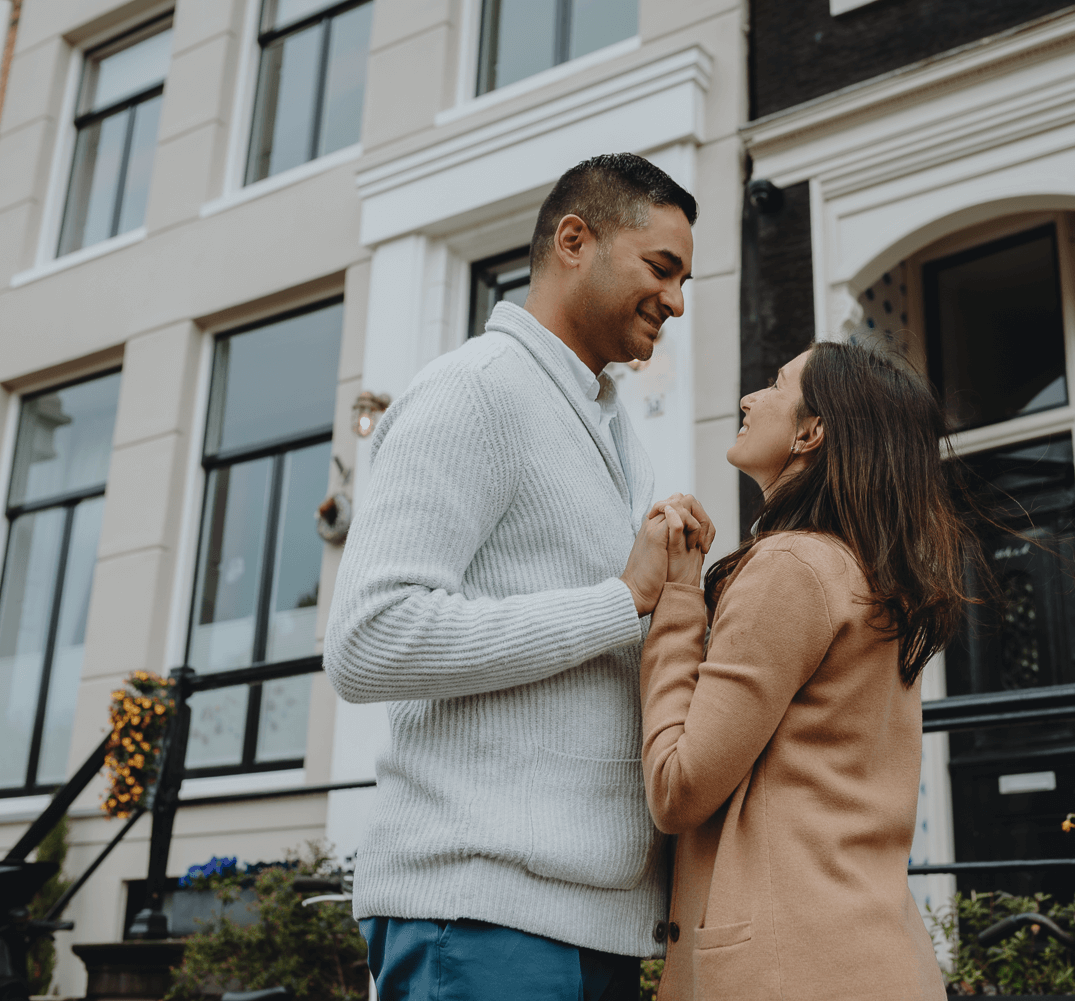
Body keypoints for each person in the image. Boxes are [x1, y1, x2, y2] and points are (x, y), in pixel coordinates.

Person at [324, 153, 715, 1001]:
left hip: (596, 922)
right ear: (576, 240)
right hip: (481, 917)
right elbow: (368, 639)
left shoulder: (616, 438)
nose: (678, 300)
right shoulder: (474, 390)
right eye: (662, 268)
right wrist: (623, 600)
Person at [634, 342, 976, 1000]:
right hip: (874, 957)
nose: (748, 399)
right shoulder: (873, 577)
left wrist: (678, 599)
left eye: (775, 384)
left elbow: (678, 787)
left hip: (788, 970)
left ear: (811, 430)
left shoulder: (790, 566)